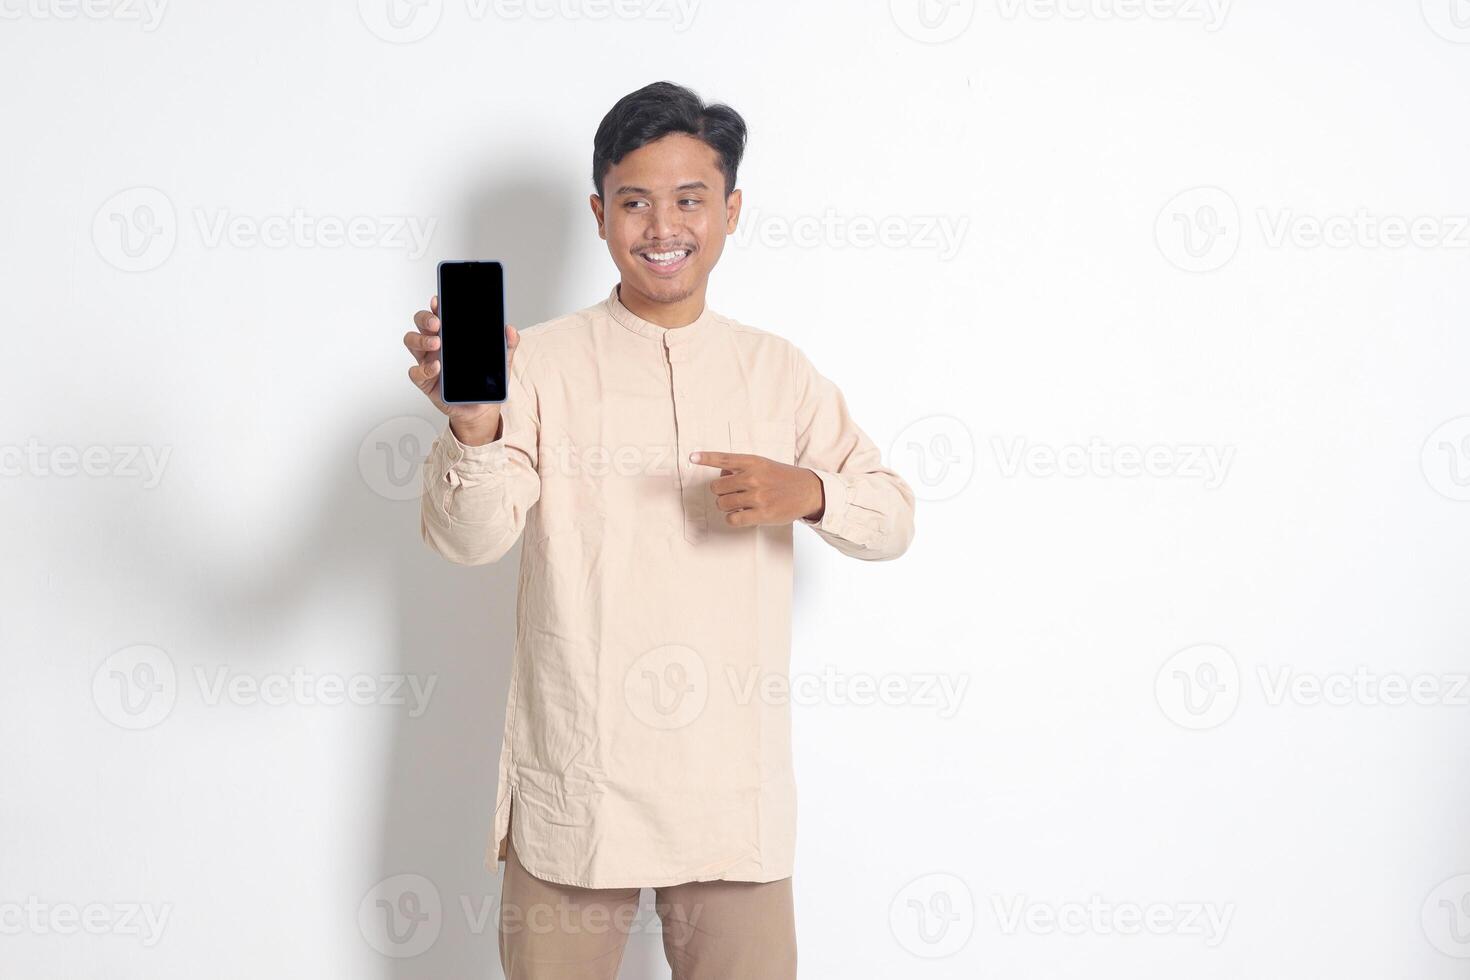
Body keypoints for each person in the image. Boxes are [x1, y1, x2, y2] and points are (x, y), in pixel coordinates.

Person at [402, 80, 916, 979]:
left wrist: (811, 491)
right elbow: (469, 540)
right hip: (577, 784)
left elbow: (893, 518)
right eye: (635, 203)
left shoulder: (775, 371)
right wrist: (474, 427)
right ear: (599, 215)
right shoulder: (543, 364)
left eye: (690, 201)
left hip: (729, 795)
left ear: (732, 211)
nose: (662, 226)